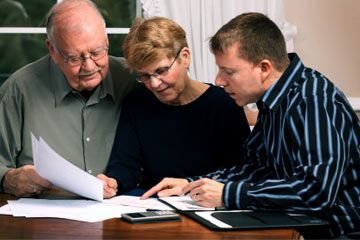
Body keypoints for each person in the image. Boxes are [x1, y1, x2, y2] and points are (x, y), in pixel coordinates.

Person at [141, 13, 360, 238]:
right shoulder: (274, 101)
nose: (218, 81)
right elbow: (256, 169)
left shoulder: (315, 101)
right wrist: (192, 185)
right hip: (298, 229)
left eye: (229, 71)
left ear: (264, 68)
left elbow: (315, 193)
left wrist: (229, 194)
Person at [97, 17, 250, 198]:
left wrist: (191, 185)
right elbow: (125, 166)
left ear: (185, 57)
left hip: (208, 207)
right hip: (153, 208)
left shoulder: (224, 103)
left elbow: (243, 170)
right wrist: (113, 182)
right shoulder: (136, 104)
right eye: (144, 76)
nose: (154, 84)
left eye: (161, 71)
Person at [0, 0, 138, 197]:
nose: (89, 66)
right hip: (41, 220)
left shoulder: (134, 80)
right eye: (75, 58)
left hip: (120, 217)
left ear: (106, 41)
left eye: (97, 52)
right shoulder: (18, 90)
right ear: (53, 50)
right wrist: (9, 180)